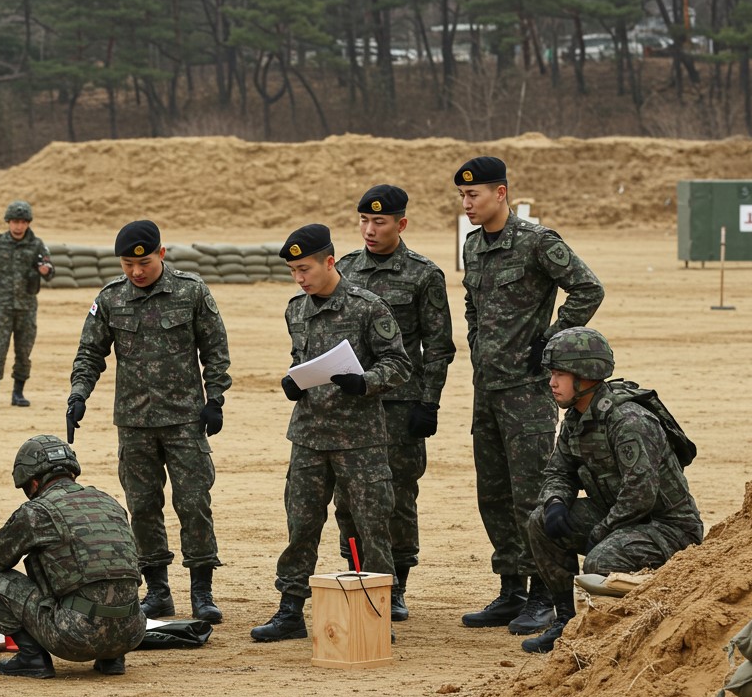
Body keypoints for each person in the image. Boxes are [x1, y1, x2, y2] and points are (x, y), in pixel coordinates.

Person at [455, 156, 605, 636]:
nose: (467, 203)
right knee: (493, 493)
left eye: (473, 195)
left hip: (525, 391)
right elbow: (471, 304)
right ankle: (510, 588)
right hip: (487, 390)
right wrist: (478, 343)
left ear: (500, 193)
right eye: (462, 196)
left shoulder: (537, 242)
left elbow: (587, 288)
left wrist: (553, 342)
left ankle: (545, 593)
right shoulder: (474, 245)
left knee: (531, 495)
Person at [252, 224, 412, 642]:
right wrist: (292, 381)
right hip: (308, 436)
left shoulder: (368, 307)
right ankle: (290, 609)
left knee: (370, 527)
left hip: (359, 439)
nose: (300, 278)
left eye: (305, 268)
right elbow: (299, 358)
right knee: (301, 525)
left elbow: (399, 363)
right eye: (293, 271)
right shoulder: (295, 309)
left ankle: (375, 613)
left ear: (328, 261)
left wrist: (367, 381)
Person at [67, 220, 231, 624]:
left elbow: (215, 348)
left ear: (161, 253)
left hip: (184, 420)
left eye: (143, 263)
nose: (136, 272)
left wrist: (216, 399)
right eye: (127, 264)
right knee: (142, 508)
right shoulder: (111, 299)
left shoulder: (191, 291)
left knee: (193, 503)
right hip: (134, 422)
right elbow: (90, 352)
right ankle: (157, 591)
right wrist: (78, 394)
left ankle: (202, 591)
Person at [522, 328, 703, 653]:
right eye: (552, 373)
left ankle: (628, 631)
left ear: (587, 376)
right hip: (618, 518)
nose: (552, 382)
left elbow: (641, 494)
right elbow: (557, 471)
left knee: (602, 559)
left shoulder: (628, 420)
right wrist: (556, 503)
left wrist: (602, 531)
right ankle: (567, 621)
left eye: (560, 374)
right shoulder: (577, 418)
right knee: (539, 522)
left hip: (668, 528)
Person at [335, 185, 455, 622]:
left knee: (398, 496)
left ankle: (396, 584)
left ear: (401, 224)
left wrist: (430, 403)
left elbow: (439, 347)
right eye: (364, 220)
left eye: (380, 222)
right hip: (351, 406)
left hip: (400, 405)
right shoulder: (344, 268)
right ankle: (357, 575)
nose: (370, 229)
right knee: (348, 495)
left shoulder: (424, 275)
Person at [0, 435, 145, 678]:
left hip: (75, 636)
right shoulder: (109, 502)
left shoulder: (37, 511)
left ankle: (32, 658)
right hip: (132, 632)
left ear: (32, 483)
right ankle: (112, 659)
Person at [0, 200, 53, 409]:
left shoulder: (37, 245)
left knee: (23, 351)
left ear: (28, 223)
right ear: (8, 222)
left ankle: (18, 393)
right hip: (3, 306)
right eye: (14, 222)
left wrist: (45, 270)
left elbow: (49, 270)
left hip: (27, 306)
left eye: (22, 222)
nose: (18, 226)